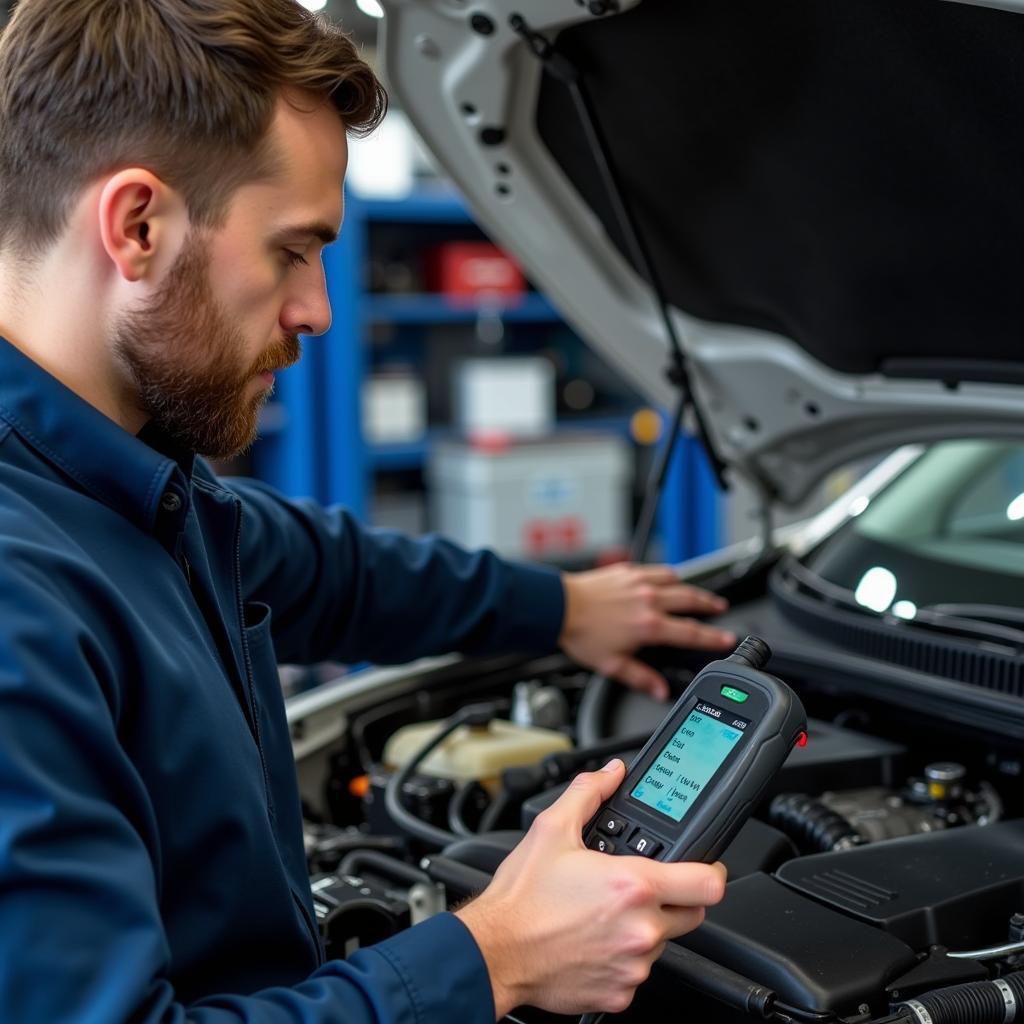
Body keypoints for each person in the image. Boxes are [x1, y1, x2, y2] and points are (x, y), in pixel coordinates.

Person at [0, 1, 735, 1021]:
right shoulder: (19, 602)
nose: (317, 311)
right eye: (292, 251)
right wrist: (494, 958)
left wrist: (564, 608)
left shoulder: (132, 487)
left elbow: (324, 569)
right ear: (136, 225)